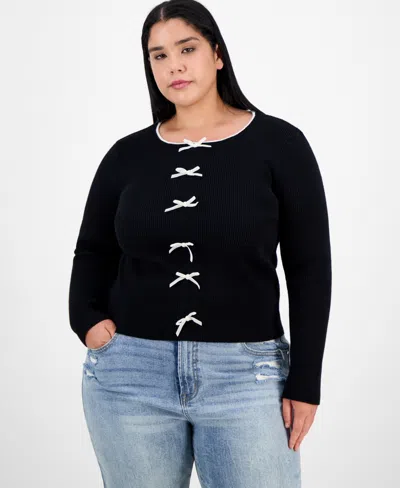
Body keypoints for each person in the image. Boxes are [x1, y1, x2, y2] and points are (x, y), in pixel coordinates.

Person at [68, 0, 332, 486]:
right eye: (159, 55)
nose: (174, 65)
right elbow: (92, 251)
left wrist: (306, 380)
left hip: (247, 379)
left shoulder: (280, 145)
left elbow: (310, 267)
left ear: (217, 54)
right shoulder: (126, 155)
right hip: (129, 377)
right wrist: (86, 322)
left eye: (186, 49)